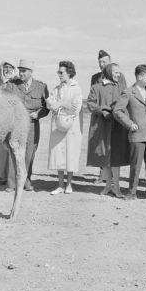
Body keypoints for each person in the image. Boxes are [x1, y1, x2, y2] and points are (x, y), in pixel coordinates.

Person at [113, 64, 146, 200]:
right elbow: (117, 110)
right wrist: (129, 124)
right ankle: (132, 192)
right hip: (137, 135)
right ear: (140, 77)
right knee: (135, 166)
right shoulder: (128, 92)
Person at [86, 63, 130, 197]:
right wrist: (102, 110)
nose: (118, 75)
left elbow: (126, 104)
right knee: (104, 157)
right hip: (101, 126)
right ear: (109, 72)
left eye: (119, 72)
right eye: (116, 72)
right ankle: (107, 186)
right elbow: (90, 103)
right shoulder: (96, 87)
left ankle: (116, 187)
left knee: (116, 157)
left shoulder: (122, 88)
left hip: (118, 126)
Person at [11, 59, 49, 191]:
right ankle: (14, 182)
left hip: (33, 124)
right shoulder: (12, 85)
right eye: (19, 71)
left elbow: (46, 107)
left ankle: (26, 179)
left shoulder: (41, 87)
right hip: (15, 124)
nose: (20, 73)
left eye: (23, 71)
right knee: (15, 153)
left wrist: (38, 114)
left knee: (29, 154)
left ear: (31, 72)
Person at [90, 50, 127, 184]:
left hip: (114, 117)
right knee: (101, 146)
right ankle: (103, 176)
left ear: (110, 63)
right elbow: (93, 98)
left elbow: (123, 95)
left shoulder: (119, 76)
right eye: (100, 62)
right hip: (101, 118)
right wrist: (101, 111)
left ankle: (112, 176)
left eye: (104, 62)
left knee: (114, 146)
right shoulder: (95, 78)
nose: (101, 64)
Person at [47, 61, 83, 195]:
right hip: (58, 125)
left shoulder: (77, 88)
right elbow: (50, 103)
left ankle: (69, 184)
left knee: (70, 153)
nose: (59, 74)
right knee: (58, 153)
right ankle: (60, 185)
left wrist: (60, 104)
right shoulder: (56, 88)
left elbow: (76, 108)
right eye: (58, 72)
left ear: (69, 72)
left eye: (61, 72)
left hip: (71, 126)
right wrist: (62, 104)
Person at [0, 60, 19, 188]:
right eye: (5, 67)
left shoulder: (17, 82)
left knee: (12, 148)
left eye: (10, 67)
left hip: (13, 119)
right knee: (0, 149)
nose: (7, 70)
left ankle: (12, 178)